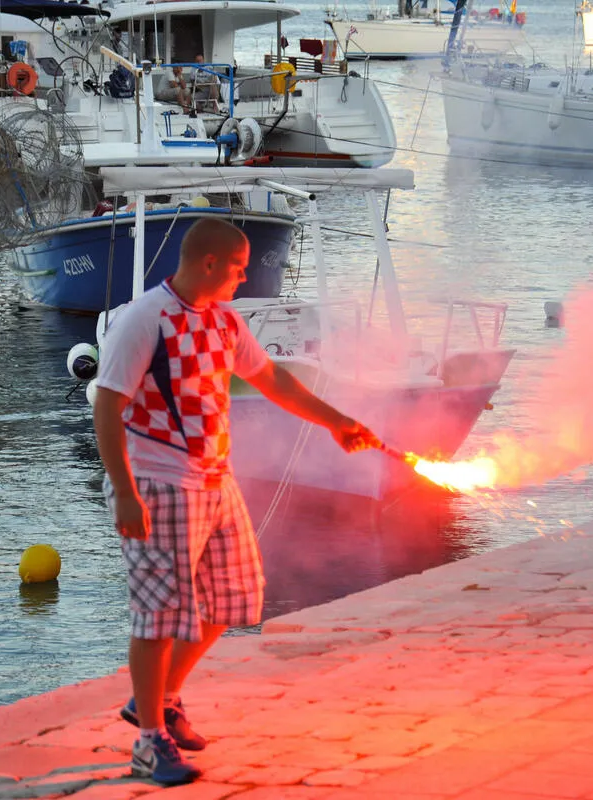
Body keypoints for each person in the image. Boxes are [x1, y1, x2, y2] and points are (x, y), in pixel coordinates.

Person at [91, 218, 381, 786]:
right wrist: (124, 491)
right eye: (240, 267)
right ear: (209, 264)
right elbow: (106, 406)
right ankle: (149, 741)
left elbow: (272, 378)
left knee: (233, 599)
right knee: (159, 614)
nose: (246, 277)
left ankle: (163, 701)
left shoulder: (224, 321)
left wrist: (337, 422)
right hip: (155, 482)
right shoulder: (145, 319)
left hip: (214, 481)